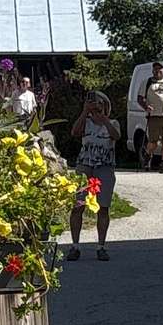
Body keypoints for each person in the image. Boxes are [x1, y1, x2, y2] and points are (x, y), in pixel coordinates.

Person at [65, 90, 118, 260]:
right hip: (85, 166)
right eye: (93, 104)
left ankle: (101, 246)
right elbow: (75, 132)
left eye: (99, 104)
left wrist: (104, 120)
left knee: (103, 207)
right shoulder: (85, 123)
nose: (96, 107)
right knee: (78, 205)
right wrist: (84, 112)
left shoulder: (113, 123)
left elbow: (116, 136)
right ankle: (75, 246)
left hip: (105, 167)